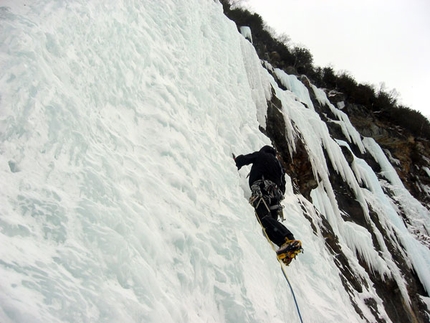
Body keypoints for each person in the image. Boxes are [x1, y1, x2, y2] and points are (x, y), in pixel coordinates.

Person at [235, 145, 301, 264]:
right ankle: (284, 246)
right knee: (269, 224)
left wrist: (235, 162)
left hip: (262, 189)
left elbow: (244, 159)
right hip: (276, 196)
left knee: (264, 217)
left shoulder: (261, 154)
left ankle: (288, 239)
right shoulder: (280, 165)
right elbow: (283, 185)